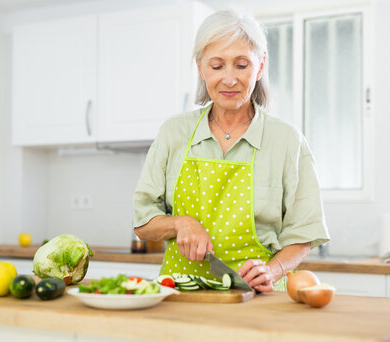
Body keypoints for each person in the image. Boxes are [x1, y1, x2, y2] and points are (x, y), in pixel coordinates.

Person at [133, 8, 329, 292]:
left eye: (241, 65)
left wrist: (272, 270)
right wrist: (180, 224)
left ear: (260, 67)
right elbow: (142, 222)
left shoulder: (287, 141)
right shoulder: (174, 133)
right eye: (216, 66)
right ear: (201, 68)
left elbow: (303, 234)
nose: (229, 79)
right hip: (178, 297)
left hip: (257, 298)